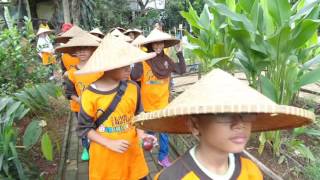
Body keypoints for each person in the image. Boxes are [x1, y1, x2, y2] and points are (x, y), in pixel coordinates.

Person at [134, 69, 315, 180]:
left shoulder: (251, 172)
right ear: (195, 125)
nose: (240, 124)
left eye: (246, 113)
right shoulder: (171, 178)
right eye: (223, 114)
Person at [76, 34, 157, 180]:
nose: (129, 69)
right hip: (105, 158)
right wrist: (109, 143)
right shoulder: (90, 94)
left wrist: (142, 135)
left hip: (132, 155)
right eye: (123, 65)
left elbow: (138, 115)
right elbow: (84, 128)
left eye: (129, 64)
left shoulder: (133, 88)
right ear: (107, 66)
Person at [131, 28, 186, 168]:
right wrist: (138, 56)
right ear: (150, 45)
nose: (158, 46)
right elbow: (134, 76)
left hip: (163, 105)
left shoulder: (166, 61)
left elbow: (181, 70)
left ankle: (163, 157)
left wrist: (179, 52)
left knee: (164, 134)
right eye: (154, 43)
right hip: (146, 106)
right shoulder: (144, 61)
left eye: (160, 43)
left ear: (163, 44)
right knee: (145, 134)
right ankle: (138, 158)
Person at [55, 33, 102, 161]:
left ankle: (99, 147)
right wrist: (80, 100)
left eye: (85, 48)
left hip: (98, 107)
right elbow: (69, 93)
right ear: (74, 52)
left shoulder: (99, 69)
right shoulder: (72, 73)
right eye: (78, 49)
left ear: (92, 50)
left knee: (98, 127)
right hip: (79, 108)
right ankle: (86, 148)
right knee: (84, 129)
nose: (82, 52)